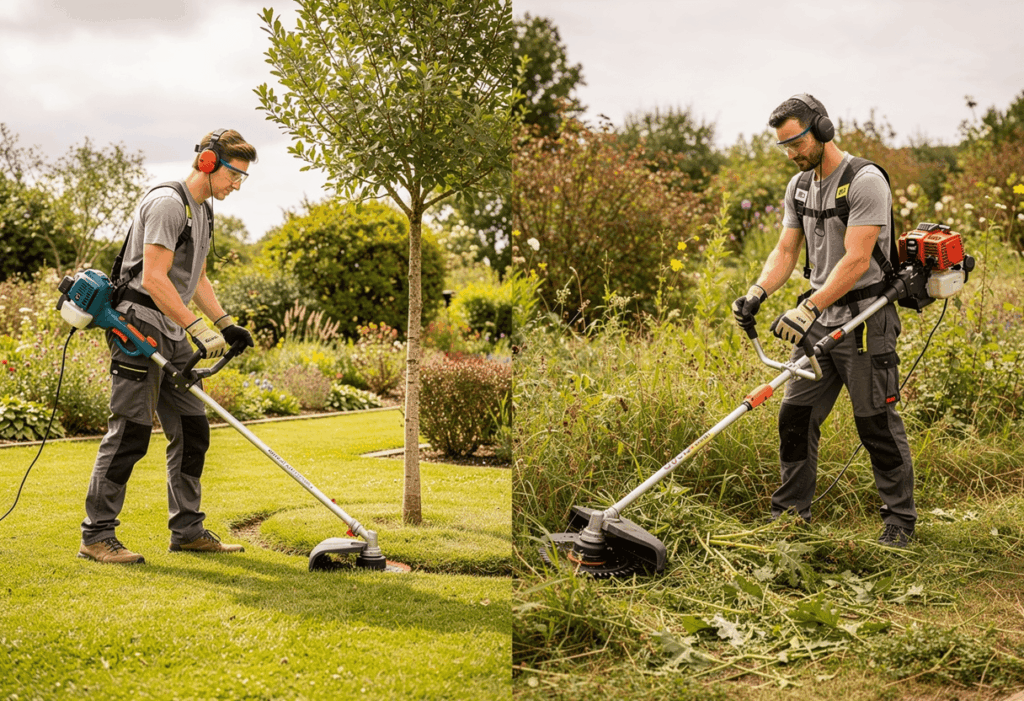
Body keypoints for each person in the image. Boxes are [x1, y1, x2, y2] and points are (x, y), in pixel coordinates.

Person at [731, 94, 916, 548]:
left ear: (823, 130)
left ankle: (899, 521)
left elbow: (856, 260)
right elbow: (785, 250)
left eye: (796, 143)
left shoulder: (864, 181)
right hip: (819, 322)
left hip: (866, 318)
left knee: (875, 423)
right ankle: (790, 519)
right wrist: (757, 293)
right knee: (794, 417)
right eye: (783, 146)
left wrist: (808, 307)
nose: (791, 153)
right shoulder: (798, 187)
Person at [78, 129, 257, 564]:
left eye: (243, 178)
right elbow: (154, 279)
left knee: (193, 431)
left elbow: (197, 278)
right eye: (234, 174)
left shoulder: (203, 211)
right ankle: (96, 536)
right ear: (209, 163)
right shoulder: (167, 204)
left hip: (172, 332)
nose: (237, 185)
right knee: (130, 433)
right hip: (138, 326)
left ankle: (188, 531)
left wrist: (225, 324)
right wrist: (198, 327)